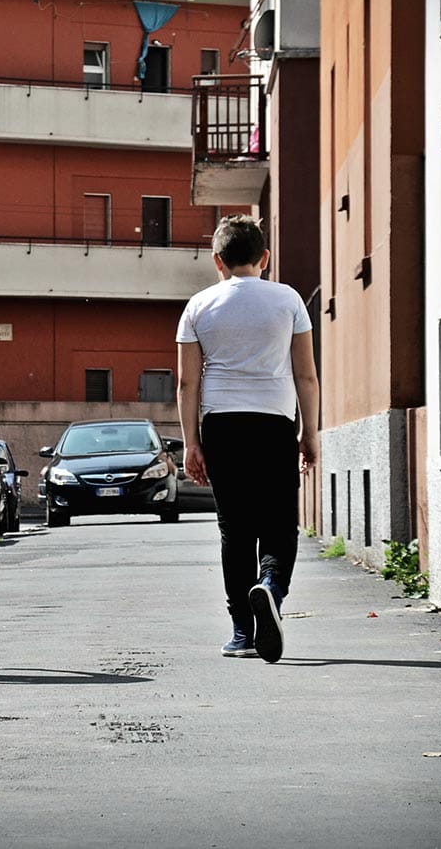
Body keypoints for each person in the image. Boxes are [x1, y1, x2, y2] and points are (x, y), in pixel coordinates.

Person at [176, 215, 319, 664]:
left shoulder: (199, 305)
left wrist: (191, 443)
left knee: (234, 532)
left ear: (217, 260)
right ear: (265, 257)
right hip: (274, 422)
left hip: (222, 425)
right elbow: (306, 376)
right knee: (278, 523)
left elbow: (186, 383)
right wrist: (308, 433)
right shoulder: (288, 299)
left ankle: (242, 632)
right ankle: (272, 588)